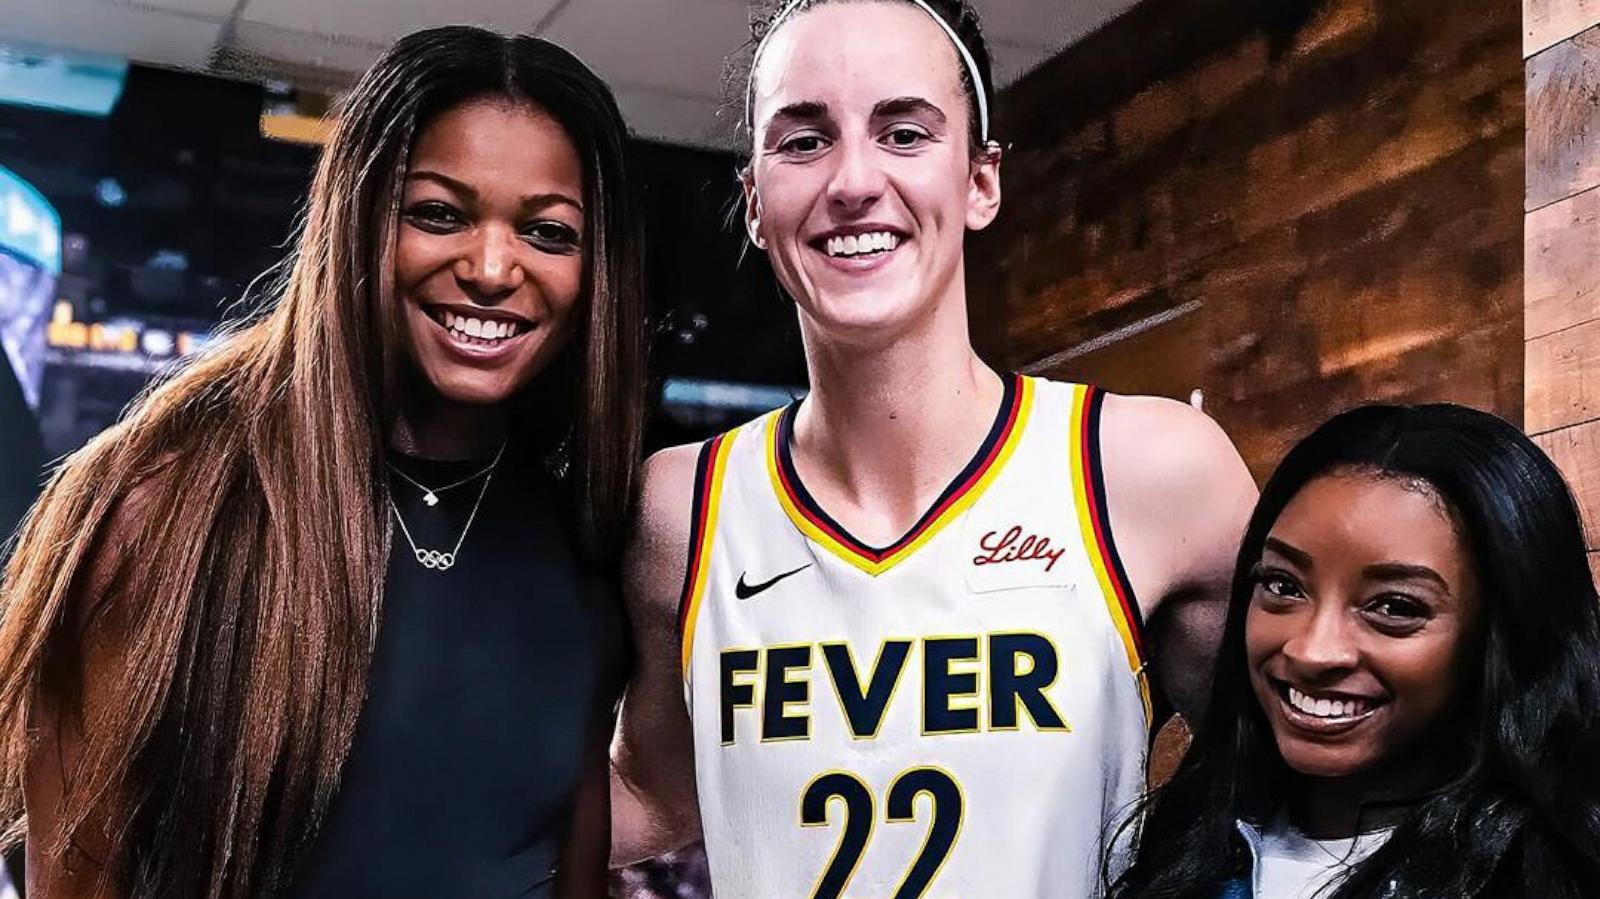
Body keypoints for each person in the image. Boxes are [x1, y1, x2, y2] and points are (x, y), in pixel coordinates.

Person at [610, 0, 1257, 894]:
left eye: (904, 132)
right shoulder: (681, 507)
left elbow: (1311, 795)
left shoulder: (1150, 470)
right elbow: (656, 791)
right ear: (755, 202)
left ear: (981, 181)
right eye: (803, 141)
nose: (852, 181)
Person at [0, 26, 644, 899]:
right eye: (438, 214)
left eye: (548, 232)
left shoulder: (587, 551)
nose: (494, 268)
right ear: (358, 222)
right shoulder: (163, 515)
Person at [1109, 404, 1600, 898]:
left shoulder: (1552, 874)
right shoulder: (1190, 842)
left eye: (1394, 606)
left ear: (1504, 631)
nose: (1311, 650)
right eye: (1283, 585)